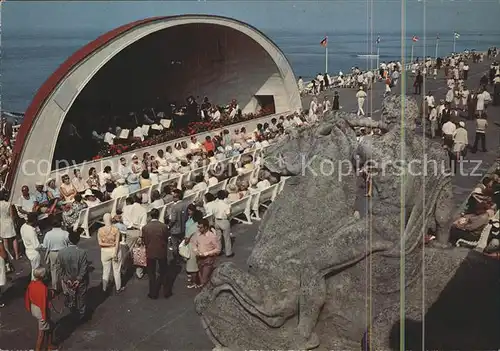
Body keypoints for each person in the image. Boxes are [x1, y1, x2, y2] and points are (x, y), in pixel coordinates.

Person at [56, 229, 89, 322]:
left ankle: (73, 311)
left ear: (68, 240)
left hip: (68, 279)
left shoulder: (61, 252)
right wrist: (78, 279)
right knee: (81, 297)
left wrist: (66, 279)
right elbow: (84, 268)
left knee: (71, 295)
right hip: (81, 280)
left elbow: (60, 268)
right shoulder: (82, 252)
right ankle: (81, 315)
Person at [141, 209, 172, 299]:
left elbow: (145, 240)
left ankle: (153, 293)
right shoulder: (163, 226)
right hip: (161, 251)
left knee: (151, 274)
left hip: (150, 251)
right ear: (158, 215)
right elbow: (166, 237)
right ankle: (166, 292)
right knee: (164, 272)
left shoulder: (145, 227)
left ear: (150, 216)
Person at [25, 267, 56, 351]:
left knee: (51, 326)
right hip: (41, 311)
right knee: (41, 333)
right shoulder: (43, 288)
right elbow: (44, 300)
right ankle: (39, 349)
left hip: (34, 308)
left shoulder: (31, 284)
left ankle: (49, 345)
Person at [97, 213, 124, 295]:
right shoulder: (115, 229)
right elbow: (117, 243)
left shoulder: (100, 230)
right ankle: (118, 288)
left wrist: (108, 245)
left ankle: (104, 288)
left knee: (105, 271)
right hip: (114, 251)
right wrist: (115, 251)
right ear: (111, 219)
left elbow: (100, 243)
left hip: (105, 252)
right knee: (116, 270)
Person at [42, 217, 69, 290]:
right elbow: (69, 243)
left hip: (53, 253)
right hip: (63, 252)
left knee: (54, 271)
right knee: (64, 271)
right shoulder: (65, 233)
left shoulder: (48, 234)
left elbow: (45, 246)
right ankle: (65, 289)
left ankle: (55, 288)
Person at [191, 219, 221, 287]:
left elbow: (218, 249)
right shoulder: (197, 234)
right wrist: (196, 250)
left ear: (206, 227)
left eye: (201, 227)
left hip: (208, 260)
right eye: (198, 227)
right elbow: (193, 243)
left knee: (204, 280)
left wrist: (207, 253)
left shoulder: (212, 236)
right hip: (199, 259)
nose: (199, 229)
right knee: (202, 279)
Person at [184, 205, 203, 288]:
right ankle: (199, 281)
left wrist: (184, 244)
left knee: (193, 267)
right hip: (201, 245)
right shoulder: (201, 226)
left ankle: (194, 283)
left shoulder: (192, 227)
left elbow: (187, 238)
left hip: (192, 246)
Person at [20, 213, 41, 279]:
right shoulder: (31, 231)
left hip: (28, 250)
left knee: (33, 269)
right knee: (36, 271)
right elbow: (36, 246)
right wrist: (44, 246)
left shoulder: (23, 226)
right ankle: (35, 285)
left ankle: (33, 283)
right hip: (34, 252)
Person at [0, 189, 19, 260]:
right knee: (14, 238)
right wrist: (13, 223)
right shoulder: (9, 204)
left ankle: (9, 255)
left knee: (5, 240)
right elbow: (11, 215)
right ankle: (17, 255)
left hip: (2, 221)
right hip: (9, 221)